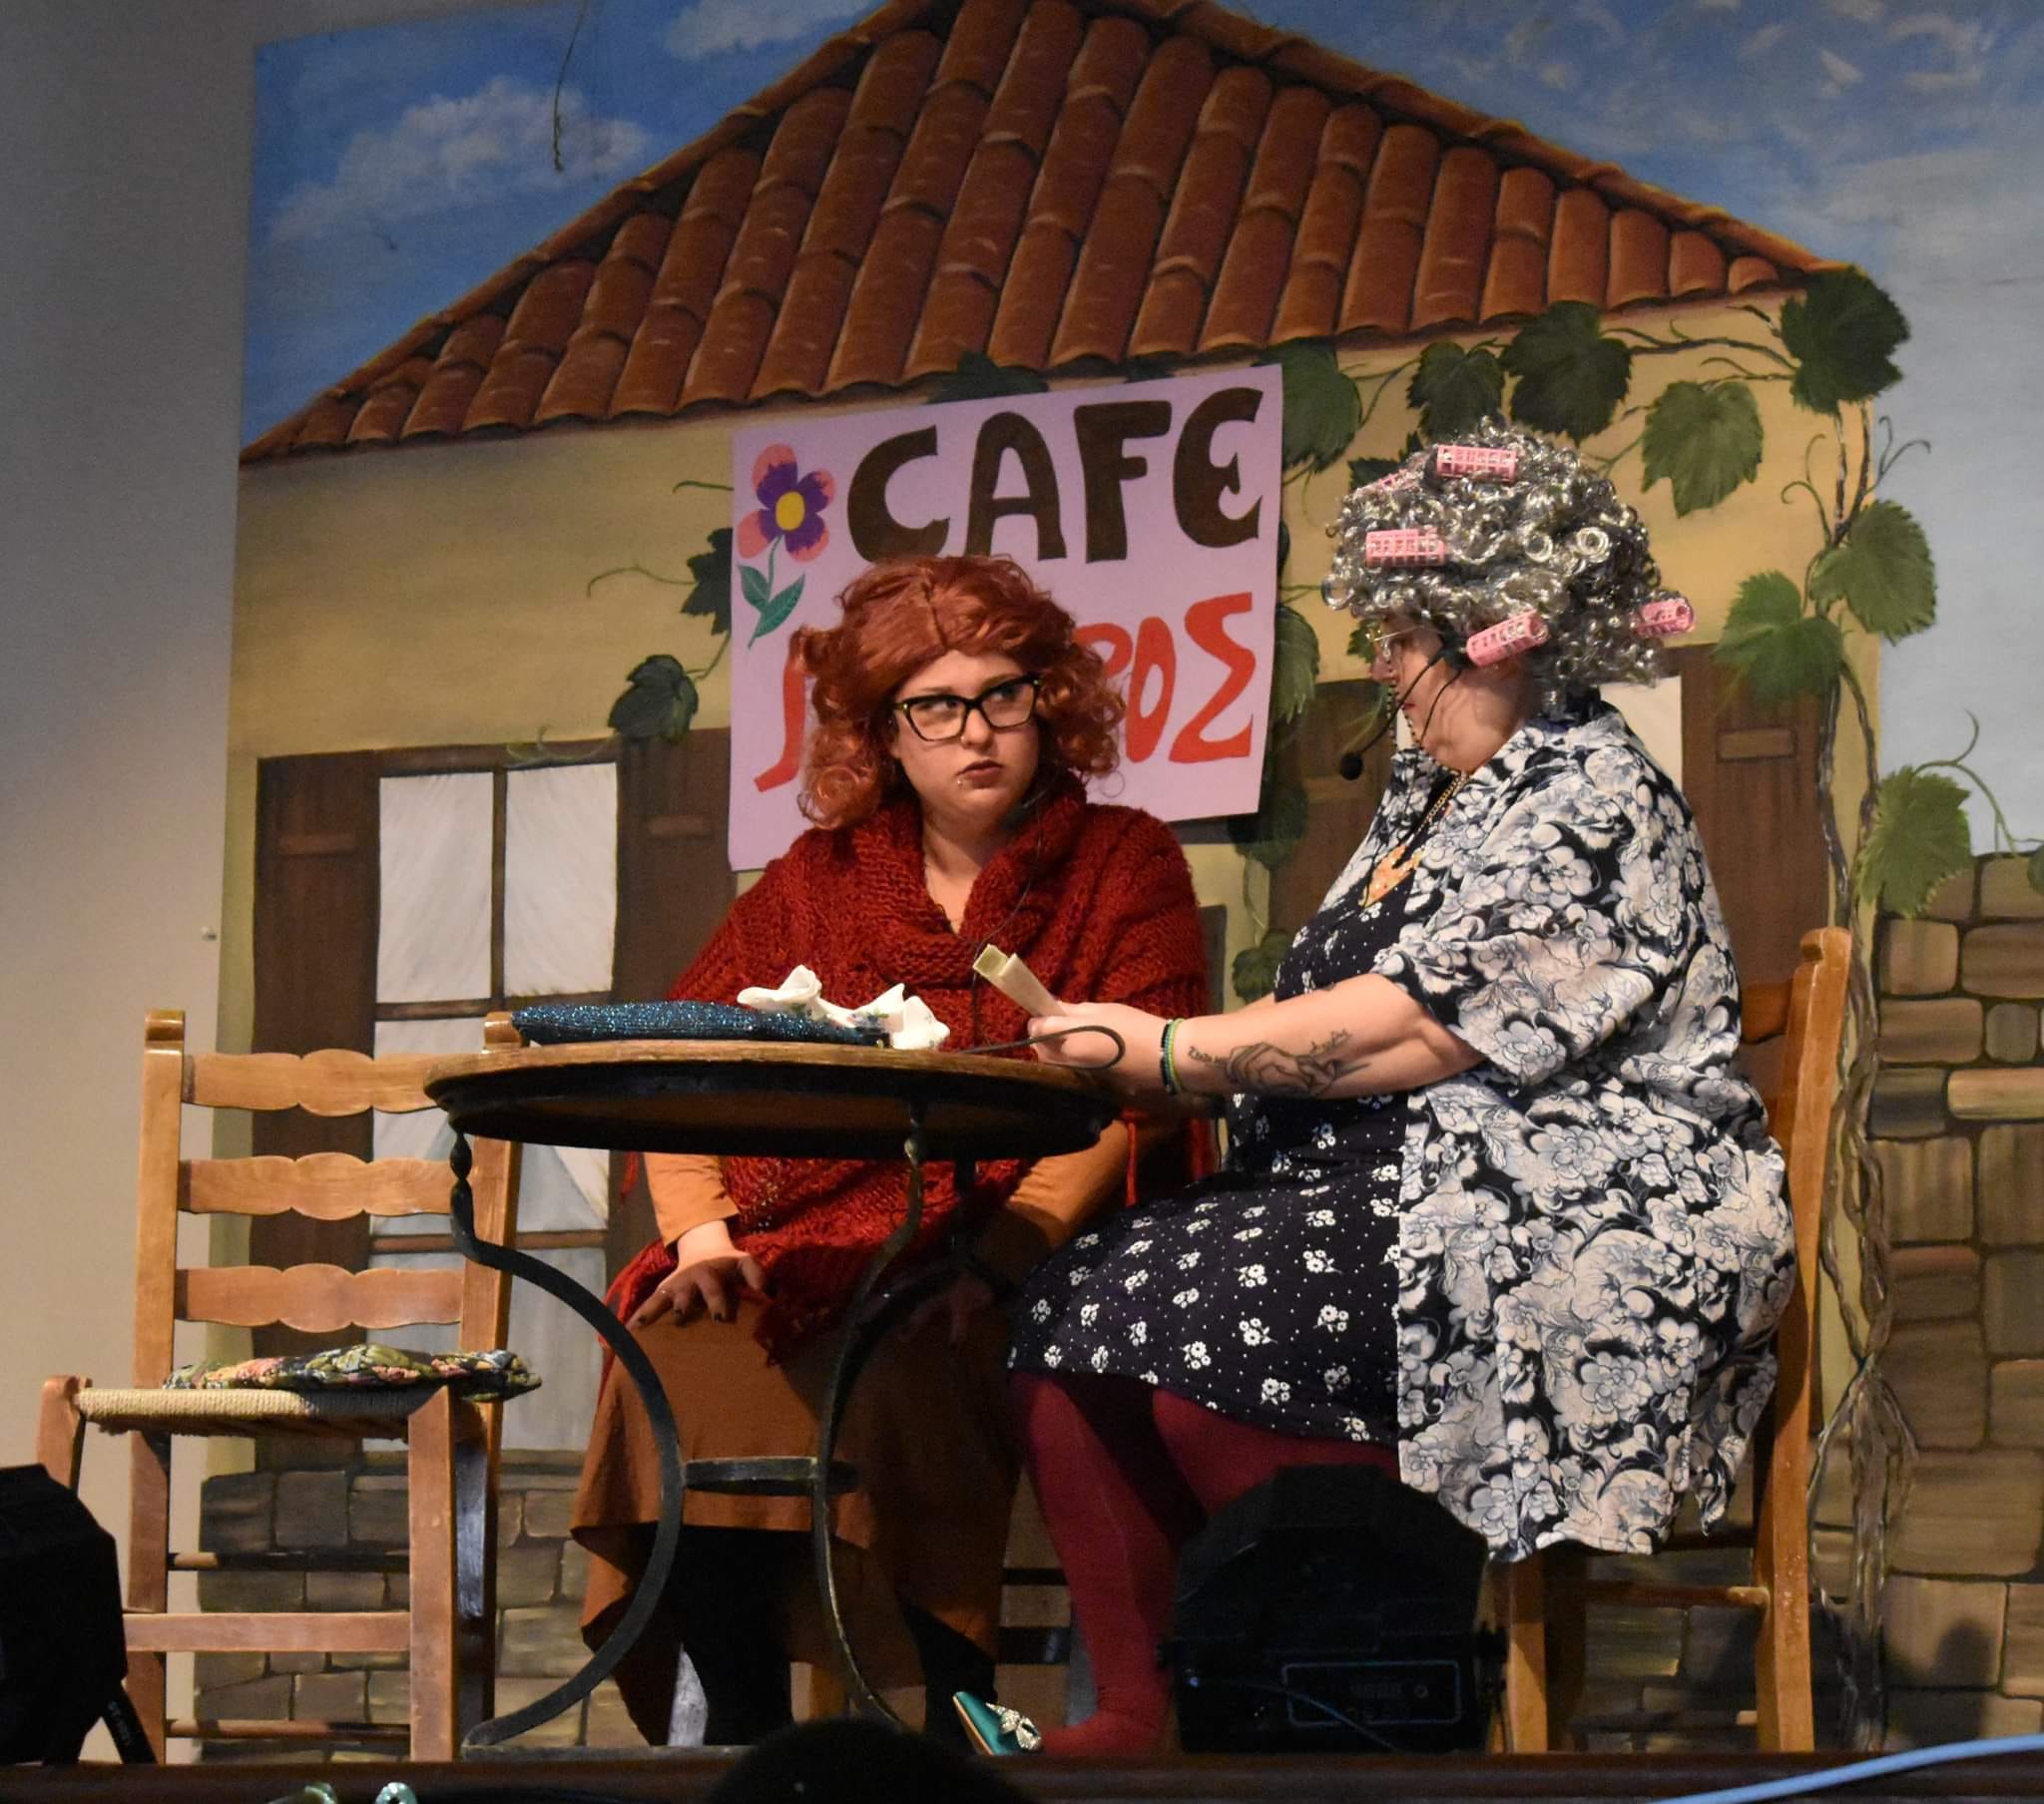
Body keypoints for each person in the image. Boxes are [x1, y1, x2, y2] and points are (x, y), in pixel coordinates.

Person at [952, 423, 1792, 1758]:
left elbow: (1423, 1027)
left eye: (1401, 641)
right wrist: (1179, 1065)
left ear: (1491, 636)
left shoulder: (1591, 793)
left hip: (1570, 1199)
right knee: (1075, 1305)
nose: (1385, 672)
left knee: (1233, 1320)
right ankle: (1138, 1715)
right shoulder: (1432, 798)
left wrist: (1172, 1052)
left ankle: (1342, 1725)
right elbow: (1336, 1014)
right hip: (1391, 1180)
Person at [571, 554, 1209, 1747]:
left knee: (904, 1359)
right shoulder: (814, 880)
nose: (975, 730)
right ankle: (752, 1738)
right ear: (882, 734)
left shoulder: (1123, 858)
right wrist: (700, 1236)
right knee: (674, 1351)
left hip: (1031, 1247)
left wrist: (995, 1255)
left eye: (1002, 694)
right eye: (934, 706)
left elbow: (1141, 1102)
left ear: (1047, 701)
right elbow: (686, 1060)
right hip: (812, 1237)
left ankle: (956, 1719)